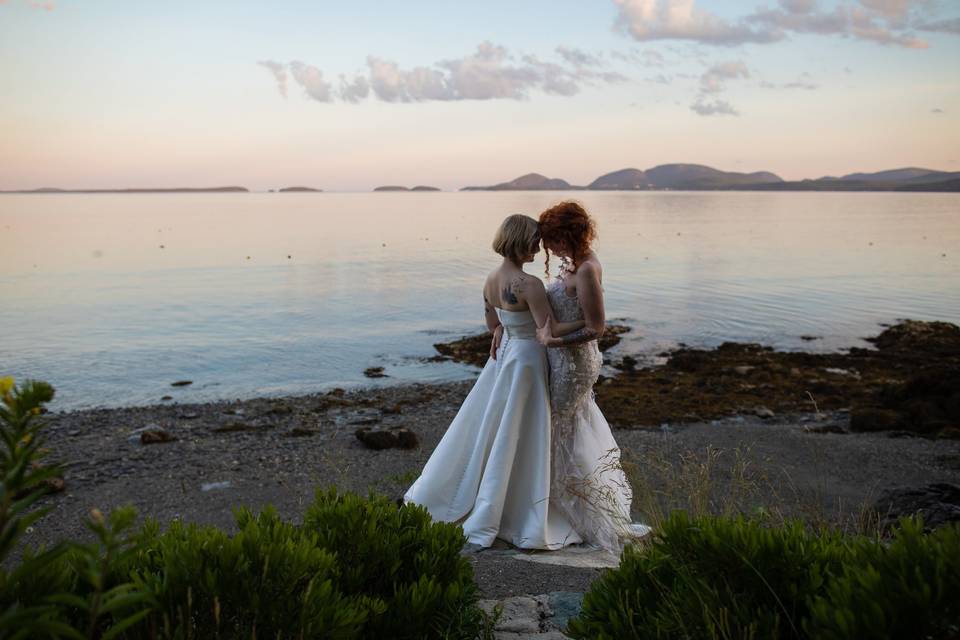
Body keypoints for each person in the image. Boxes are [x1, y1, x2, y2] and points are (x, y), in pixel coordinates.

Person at [404, 214, 588, 549]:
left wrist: (503, 330)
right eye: (534, 240)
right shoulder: (528, 284)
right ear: (520, 241)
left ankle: (483, 495)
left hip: (505, 358)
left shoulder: (490, 280)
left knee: (495, 425)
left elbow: (493, 322)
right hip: (529, 360)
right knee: (522, 429)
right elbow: (549, 330)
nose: (539, 245)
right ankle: (516, 505)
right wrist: (586, 323)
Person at [535, 200, 645, 552]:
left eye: (553, 239)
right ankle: (554, 504)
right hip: (561, 359)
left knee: (561, 427)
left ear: (568, 235)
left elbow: (597, 327)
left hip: (575, 363)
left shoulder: (586, 270)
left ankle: (577, 512)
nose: (548, 247)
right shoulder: (573, 263)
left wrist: (555, 340)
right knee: (567, 428)